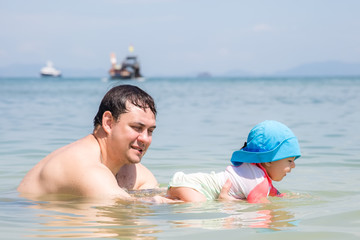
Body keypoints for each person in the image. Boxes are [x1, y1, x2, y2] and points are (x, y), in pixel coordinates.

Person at [17, 84, 172, 203]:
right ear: (109, 123)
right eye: (137, 128)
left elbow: (149, 200)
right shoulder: (83, 166)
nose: (145, 138)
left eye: (150, 131)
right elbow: (121, 205)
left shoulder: (137, 173)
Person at [166, 120, 301, 203]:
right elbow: (261, 207)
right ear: (268, 161)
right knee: (198, 204)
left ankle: (166, 195)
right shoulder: (258, 180)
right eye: (289, 161)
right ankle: (160, 201)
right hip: (193, 188)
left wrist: (284, 197)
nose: (293, 166)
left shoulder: (256, 172)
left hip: (190, 185)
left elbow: (271, 192)